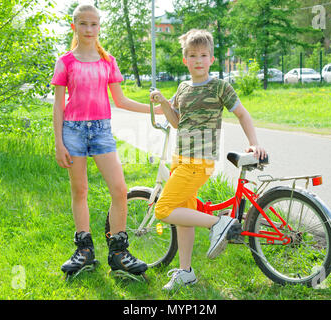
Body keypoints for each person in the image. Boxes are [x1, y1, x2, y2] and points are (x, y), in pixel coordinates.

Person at [150, 29, 267, 291]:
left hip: (198, 162)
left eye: (203, 55)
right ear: (185, 60)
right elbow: (177, 122)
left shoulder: (219, 87)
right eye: (192, 55)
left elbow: (243, 114)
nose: (198, 60)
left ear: (212, 59)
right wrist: (163, 103)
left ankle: (220, 223)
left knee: (163, 210)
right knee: (183, 216)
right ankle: (186, 271)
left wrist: (254, 142)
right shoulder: (182, 88)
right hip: (179, 159)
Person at [51, 4, 159, 279]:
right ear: (74, 26)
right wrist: (59, 143)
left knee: (120, 189)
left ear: (100, 27)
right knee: (80, 190)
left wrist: (154, 110)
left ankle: (119, 253)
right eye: (84, 24)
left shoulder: (107, 61)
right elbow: (59, 106)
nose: (89, 29)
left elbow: (119, 100)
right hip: (73, 131)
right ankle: (84, 251)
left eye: (94, 24)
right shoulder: (66, 61)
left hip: (101, 131)